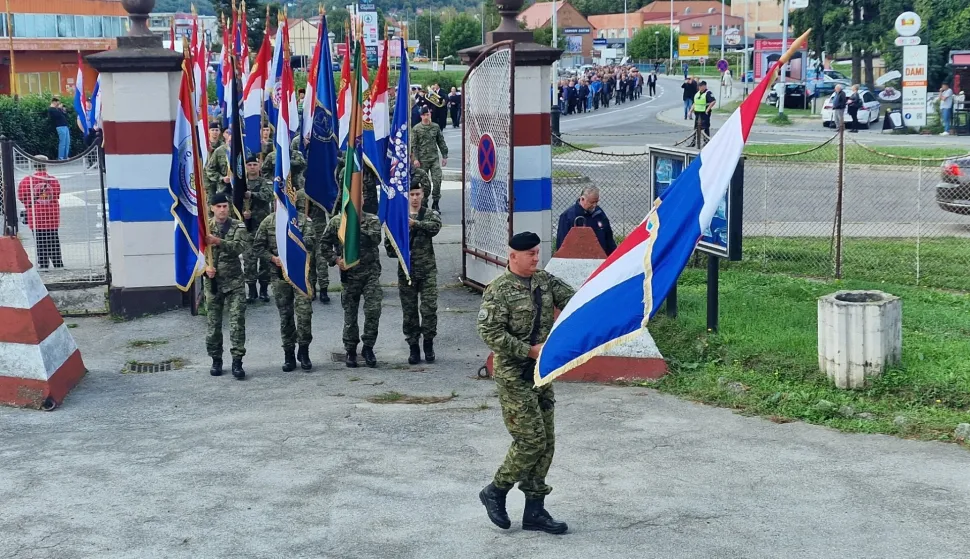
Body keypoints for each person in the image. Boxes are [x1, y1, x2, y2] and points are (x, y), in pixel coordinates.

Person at [476, 231, 576, 535]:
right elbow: (489, 332)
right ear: (513, 256)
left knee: (547, 441)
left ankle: (535, 510)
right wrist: (527, 350)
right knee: (530, 440)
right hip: (514, 375)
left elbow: (575, 301)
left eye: (537, 252)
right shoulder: (498, 290)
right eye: (530, 254)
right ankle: (495, 490)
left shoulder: (545, 281)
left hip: (541, 374)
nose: (536, 258)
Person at [252, 189, 316, 372]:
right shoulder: (269, 221)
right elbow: (257, 248)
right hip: (279, 276)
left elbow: (312, 242)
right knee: (286, 316)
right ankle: (289, 353)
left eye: (290, 199)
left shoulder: (303, 220)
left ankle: (304, 351)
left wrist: (296, 247)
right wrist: (273, 259)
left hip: (301, 275)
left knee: (304, 314)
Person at [385, 179, 442, 365]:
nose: (415, 198)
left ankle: (428, 343)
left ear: (423, 195)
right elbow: (389, 246)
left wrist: (414, 224)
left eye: (418, 194)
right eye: (412, 194)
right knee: (409, 312)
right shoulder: (398, 217)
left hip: (427, 271)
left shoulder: (429, 214)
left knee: (429, 308)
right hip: (406, 271)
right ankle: (413, 347)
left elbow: (435, 227)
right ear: (406, 196)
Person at [320, 205, 383, 368]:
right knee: (350, 314)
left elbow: (376, 239)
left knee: (373, 310)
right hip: (350, 275)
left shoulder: (372, 220)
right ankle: (351, 350)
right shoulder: (336, 222)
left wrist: (354, 226)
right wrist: (336, 260)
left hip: (370, 273)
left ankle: (368, 347)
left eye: (360, 196)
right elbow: (324, 245)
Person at [203, 192, 250, 380]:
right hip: (213, 283)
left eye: (225, 206)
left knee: (237, 322)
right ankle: (216, 359)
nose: (222, 210)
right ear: (212, 208)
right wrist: (205, 268)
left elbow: (240, 247)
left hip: (234, 283)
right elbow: (195, 254)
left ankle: (237, 361)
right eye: (218, 206)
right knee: (213, 325)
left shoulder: (238, 225)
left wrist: (217, 242)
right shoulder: (205, 227)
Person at [17, 155, 63, 269]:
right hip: (52, 216)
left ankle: (43, 264)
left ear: (34, 165)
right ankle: (58, 263)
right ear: (46, 165)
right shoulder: (52, 180)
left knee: (40, 240)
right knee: (53, 239)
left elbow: (21, 196)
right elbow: (56, 194)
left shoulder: (27, 180)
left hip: (36, 216)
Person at [242, 155, 274, 303]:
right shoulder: (241, 183)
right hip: (247, 227)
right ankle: (252, 291)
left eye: (255, 164)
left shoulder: (265, 182)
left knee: (265, 260)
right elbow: (233, 201)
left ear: (259, 166)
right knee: (249, 260)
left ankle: (264, 290)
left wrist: (252, 195)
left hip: (263, 227)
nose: (252, 167)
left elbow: (267, 196)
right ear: (245, 166)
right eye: (249, 165)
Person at [555, 186, 616, 256]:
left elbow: (609, 238)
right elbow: (562, 243)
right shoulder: (567, 216)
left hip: (600, 257)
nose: (594, 205)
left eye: (596, 202)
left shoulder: (599, 213)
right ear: (582, 199)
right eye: (592, 202)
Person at [411, 106, 448, 212]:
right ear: (421, 116)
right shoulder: (416, 129)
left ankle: (436, 203)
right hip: (422, 161)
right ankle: (424, 203)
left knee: (437, 180)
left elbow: (441, 142)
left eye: (429, 114)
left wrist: (444, 156)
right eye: (425, 114)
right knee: (424, 184)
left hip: (434, 159)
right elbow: (414, 145)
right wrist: (415, 159)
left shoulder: (435, 127)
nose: (427, 116)